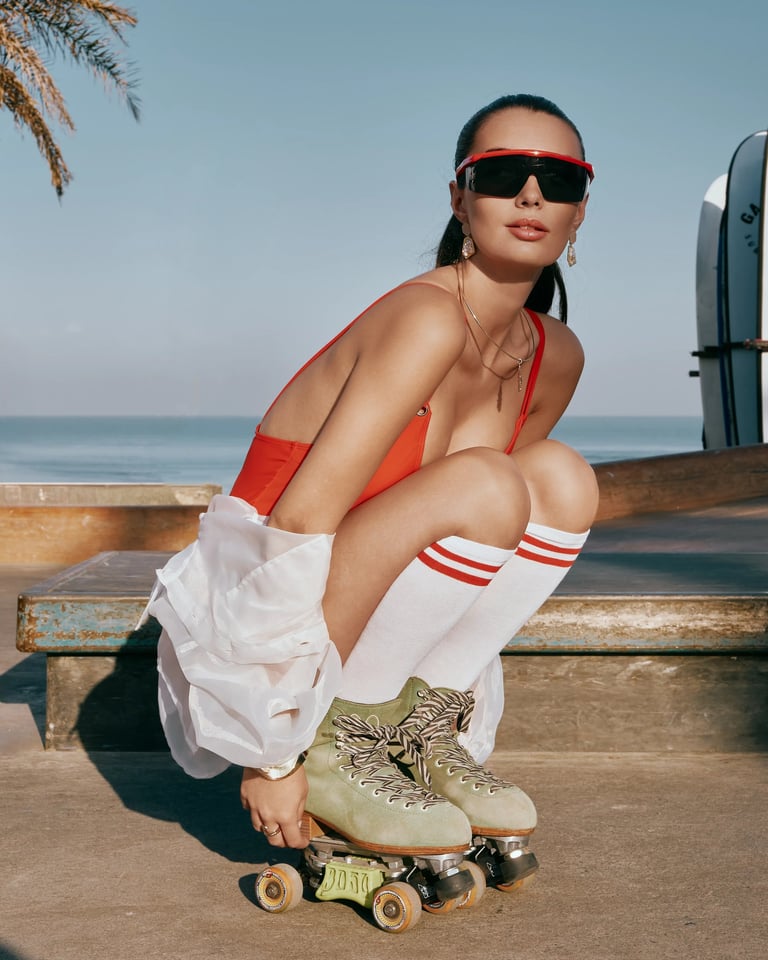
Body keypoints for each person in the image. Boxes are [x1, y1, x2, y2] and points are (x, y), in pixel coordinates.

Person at [148, 93, 599, 866]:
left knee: (559, 477)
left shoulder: (553, 354)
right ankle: (336, 740)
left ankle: (416, 734)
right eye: (503, 174)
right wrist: (274, 748)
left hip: (374, 622)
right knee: (488, 484)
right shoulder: (424, 319)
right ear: (460, 198)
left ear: (579, 212)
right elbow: (296, 527)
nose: (532, 196)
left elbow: (484, 556)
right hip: (263, 626)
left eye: (558, 180)